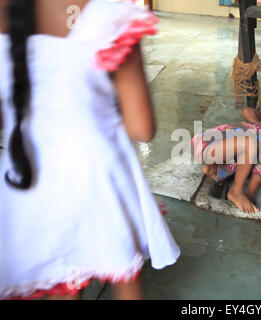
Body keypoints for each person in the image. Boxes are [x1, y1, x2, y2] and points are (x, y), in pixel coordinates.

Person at [0, 0, 180, 300]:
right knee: (120, 265)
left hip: (24, 182)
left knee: (61, 279)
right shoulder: (107, 15)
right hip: (96, 181)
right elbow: (142, 128)